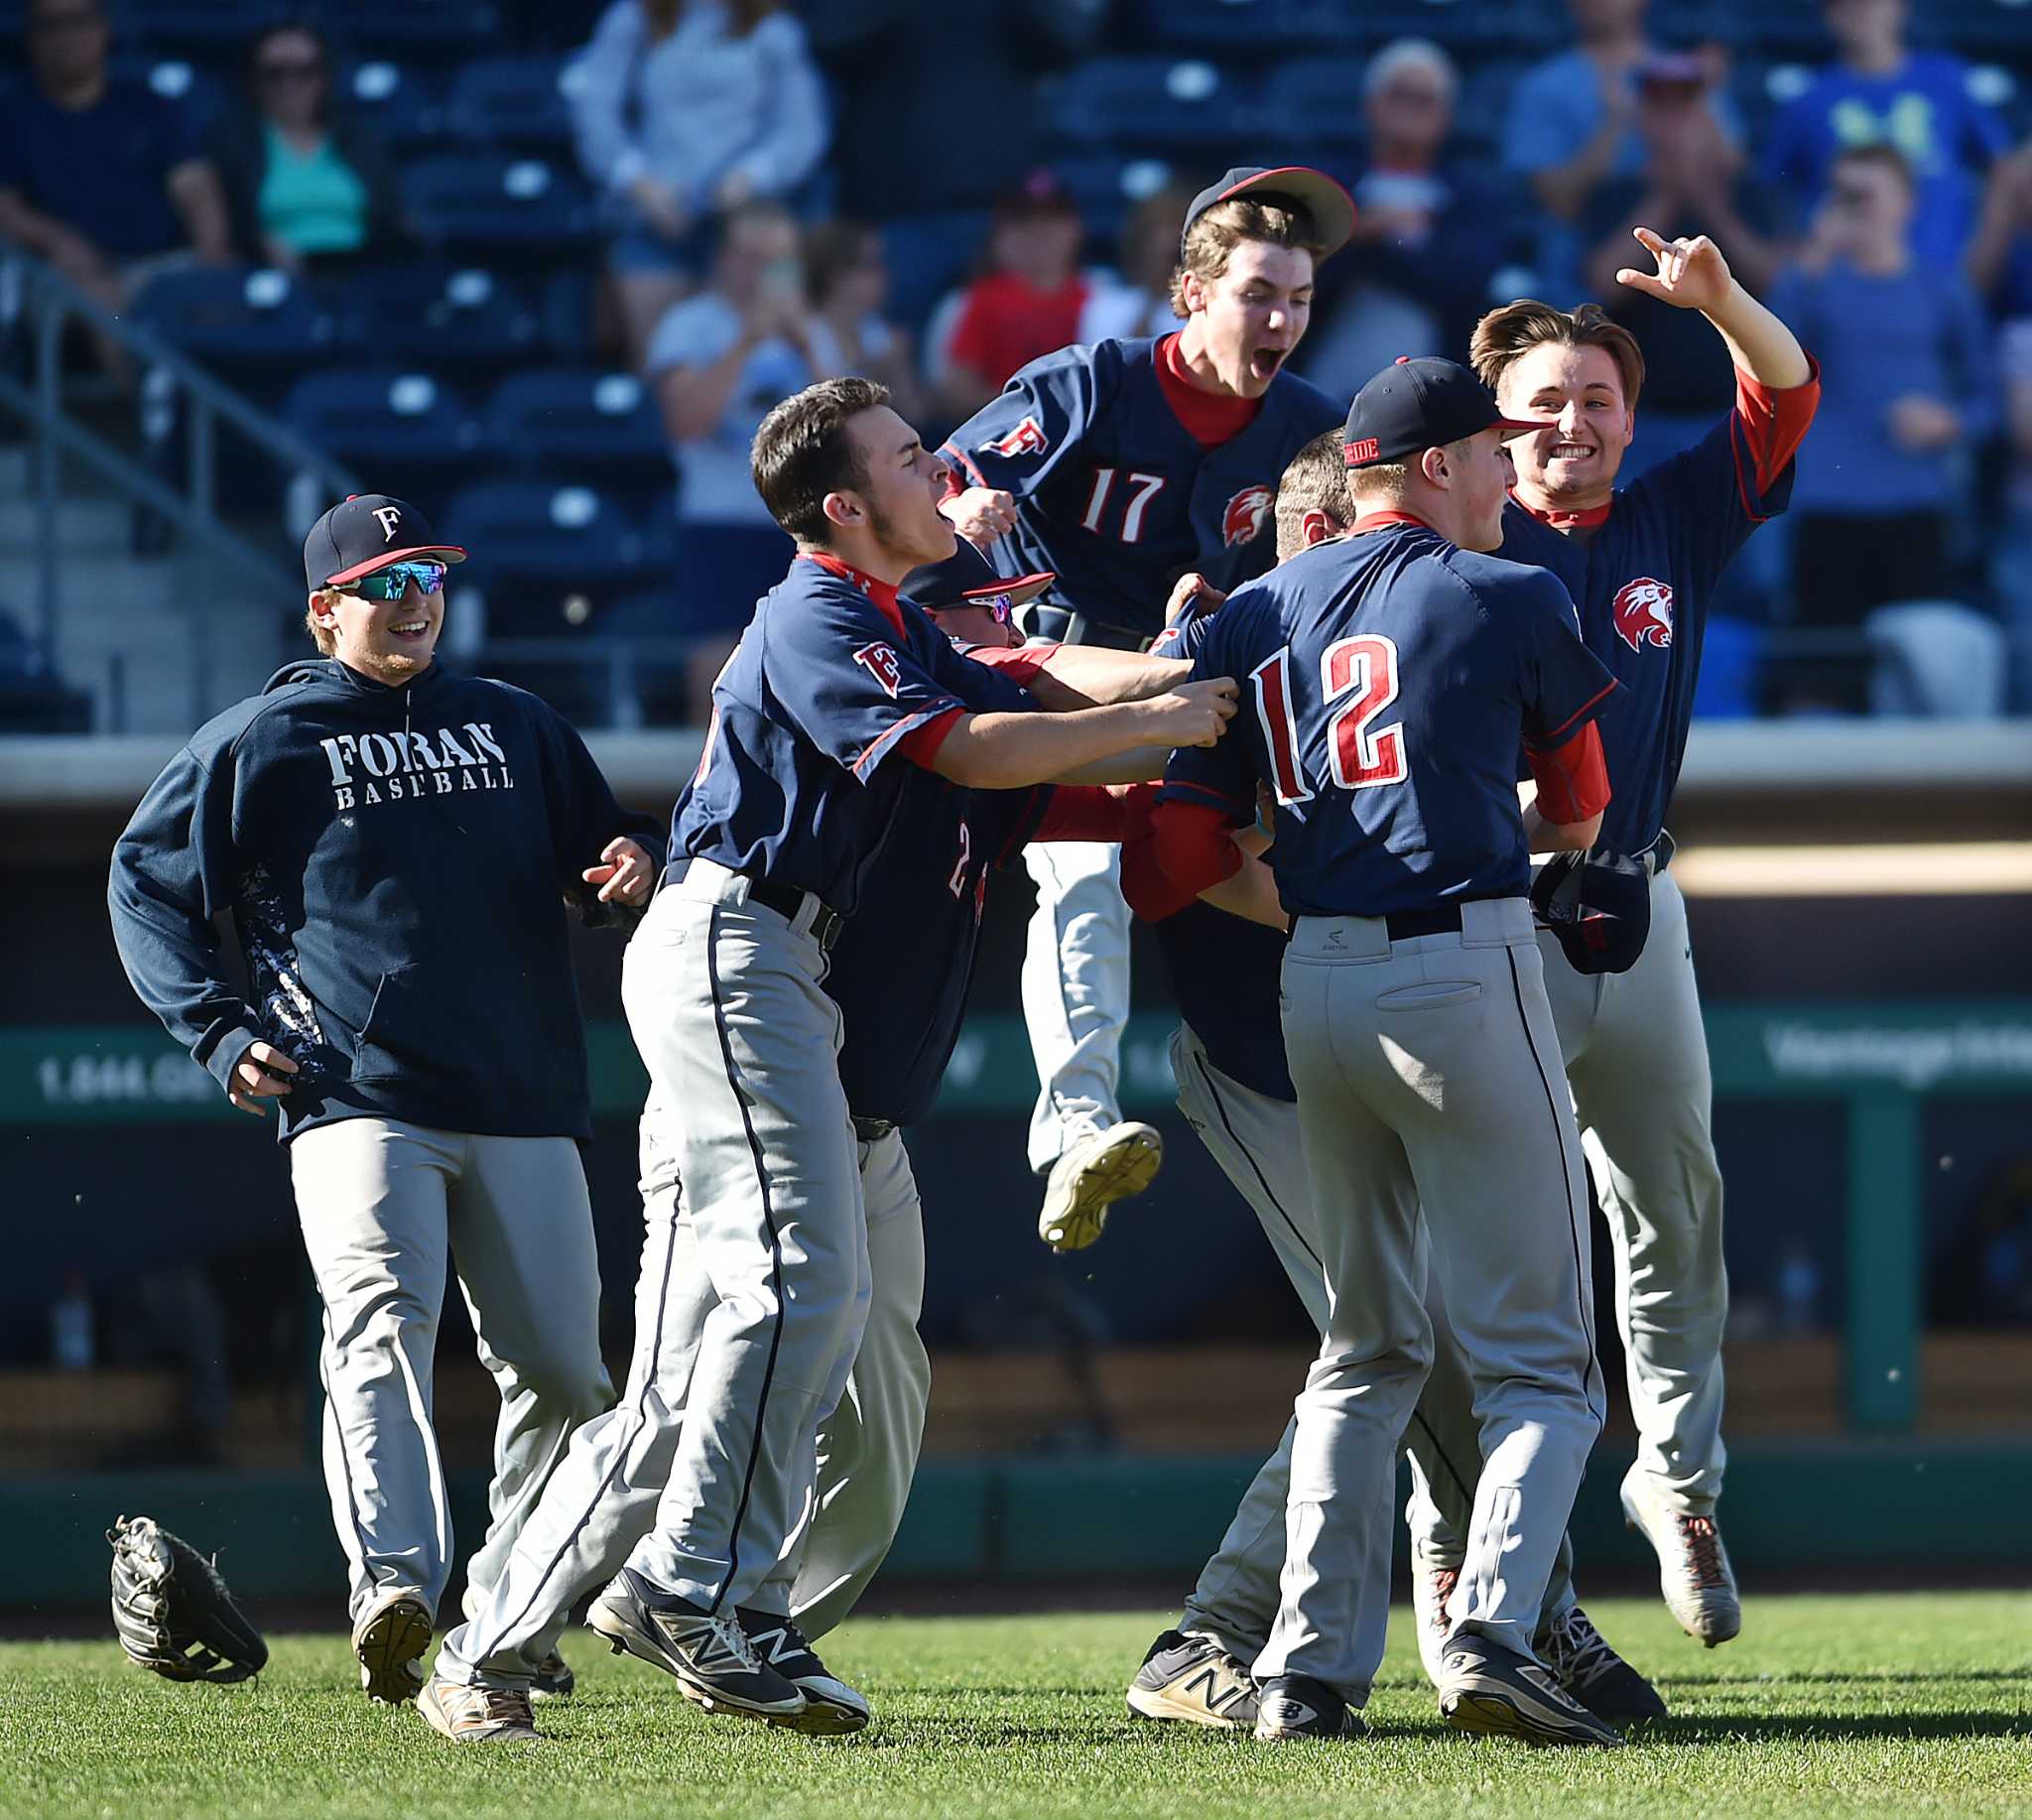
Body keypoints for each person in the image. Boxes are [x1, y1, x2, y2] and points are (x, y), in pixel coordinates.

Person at [417, 376, 1239, 1742]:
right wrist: (1168, 707)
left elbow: (1037, 709)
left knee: (698, 1369)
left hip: (779, 983)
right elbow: (985, 735)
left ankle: (491, 1642)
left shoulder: (918, 632)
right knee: (800, 1281)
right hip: (741, 945)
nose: (942, 471)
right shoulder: (821, 608)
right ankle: (701, 1586)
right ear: (847, 504)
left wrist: (1174, 688)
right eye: (915, 457)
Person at [1118, 432, 1665, 1737]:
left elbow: (1169, 848)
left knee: (1367, 1354)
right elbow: (1584, 817)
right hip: (1454, 972)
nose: (1511, 483)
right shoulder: (1504, 590)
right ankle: (1492, 1628)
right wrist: (1472, 828)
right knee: (1539, 1365)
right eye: (1493, 454)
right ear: (1428, 467)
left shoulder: (1252, 612)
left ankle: (1306, 1669)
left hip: (1318, 990)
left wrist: (1312, 890)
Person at [107, 493, 665, 1708]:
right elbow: (140, 882)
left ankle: (508, 1606)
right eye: (385, 583)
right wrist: (211, 1024)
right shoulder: (262, 737)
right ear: (323, 609)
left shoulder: (515, 723)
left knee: (568, 1375)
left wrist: (632, 864)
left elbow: (612, 846)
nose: (416, 601)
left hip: (521, 1093)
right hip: (353, 1093)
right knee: (377, 1327)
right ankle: (394, 1591)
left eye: (429, 579)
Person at [1460, 231, 1817, 1643]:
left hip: (1637, 901)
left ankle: (1680, 1491)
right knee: (1500, 1236)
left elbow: (1783, 398)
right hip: (1492, 911)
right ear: (1493, 421)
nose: (1574, 419)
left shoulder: (1668, 515)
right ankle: (1471, 1537)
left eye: (1599, 394)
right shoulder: (1450, 541)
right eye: (1546, 397)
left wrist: (1716, 302)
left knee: (1672, 1210)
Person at [937, 166, 1351, 1259]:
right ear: (1189, 293)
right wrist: (964, 502)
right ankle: (1072, 1126)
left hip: (1208, 682)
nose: (1281, 319)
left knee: (1292, 851)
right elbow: (946, 475)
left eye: (1298, 299)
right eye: (1259, 292)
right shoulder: (1091, 384)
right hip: (1061, 663)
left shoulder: (1310, 423)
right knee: (1075, 871)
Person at [1763, 146, 1991, 711]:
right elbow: (1765, 369)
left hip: (1917, 503)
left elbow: (1988, 399)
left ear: (1906, 204)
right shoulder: (1811, 281)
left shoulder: (1943, 288)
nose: (1853, 206)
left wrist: (1950, 422)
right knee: (1824, 674)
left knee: (1922, 672)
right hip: (1829, 503)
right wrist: (1812, 257)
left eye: (1866, 193)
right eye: (1842, 192)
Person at [570, 0, 828, 368]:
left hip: (746, 222)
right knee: (664, 365)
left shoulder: (773, 26)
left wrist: (750, 176)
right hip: (655, 218)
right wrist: (637, 180)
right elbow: (594, 110)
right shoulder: (633, 19)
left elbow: (802, 130)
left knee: (762, 356)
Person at [1579, 52, 1781, 474]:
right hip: (1639, 417)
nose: (1674, 120)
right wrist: (1668, 195)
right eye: (1660, 106)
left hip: (1738, 415)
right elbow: (1603, 281)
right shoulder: (1613, 194)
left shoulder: (1748, 193)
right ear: (1643, 118)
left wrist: (1706, 198)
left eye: (1686, 106)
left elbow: (1773, 277)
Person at [1302, 40, 1524, 396]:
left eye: (1424, 99)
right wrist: (1383, 234)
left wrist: (1365, 237)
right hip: (1321, 386)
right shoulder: (1325, 186)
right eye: (1399, 94)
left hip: (1430, 398)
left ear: (1446, 115)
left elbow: (1461, 284)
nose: (1410, 108)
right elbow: (1304, 277)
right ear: (1370, 104)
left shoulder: (1474, 199)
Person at [0, 0, 228, 318]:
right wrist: (57, 240)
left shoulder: (150, 105)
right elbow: (5, 208)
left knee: (239, 293)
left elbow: (196, 191)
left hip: (160, 265)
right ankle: (136, 370)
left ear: (103, 27)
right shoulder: (11, 116)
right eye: (50, 24)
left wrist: (211, 258)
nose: (66, 35)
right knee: (97, 295)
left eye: (79, 20)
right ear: (31, 36)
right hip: (62, 275)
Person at [1501, 0, 1737, 302]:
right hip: (1587, 264)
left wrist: (1702, 101)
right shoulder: (1545, 86)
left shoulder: (1686, 76)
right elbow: (1557, 201)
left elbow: (1732, 172)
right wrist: (1615, 124)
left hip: (1688, 242)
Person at [1762, 0, 2008, 270]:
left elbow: (2003, 166)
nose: (1862, 11)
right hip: (1847, 281)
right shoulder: (1808, 99)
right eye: (1846, 5)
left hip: (1946, 276)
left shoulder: (1946, 78)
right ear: (1829, 15)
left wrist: (1981, 262)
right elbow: (1773, 192)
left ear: (1900, 6)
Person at [204, 20, 406, 274]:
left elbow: (388, 216)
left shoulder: (359, 138)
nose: (289, 84)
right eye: (274, 73)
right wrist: (255, 248)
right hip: (270, 275)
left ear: (324, 77)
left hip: (363, 273)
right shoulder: (232, 142)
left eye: (304, 72)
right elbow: (224, 226)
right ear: (254, 80)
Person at [936, 173, 1092, 425]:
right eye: (1023, 222)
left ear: (1076, 228)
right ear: (999, 235)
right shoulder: (975, 300)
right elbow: (956, 392)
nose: (1038, 233)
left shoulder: (1103, 298)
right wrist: (1036, 410)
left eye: (1052, 219)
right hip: (1005, 439)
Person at [806, 216, 926, 428]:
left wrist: (898, 371)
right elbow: (824, 419)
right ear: (838, 275)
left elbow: (914, 414)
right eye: (871, 264)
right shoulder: (806, 332)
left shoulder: (876, 330)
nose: (883, 274)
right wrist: (874, 373)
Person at [1079, 179, 1202, 346]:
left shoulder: (1203, 308)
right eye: (1154, 230)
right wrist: (1152, 298)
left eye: (1175, 230)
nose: (1165, 244)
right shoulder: (1104, 303)